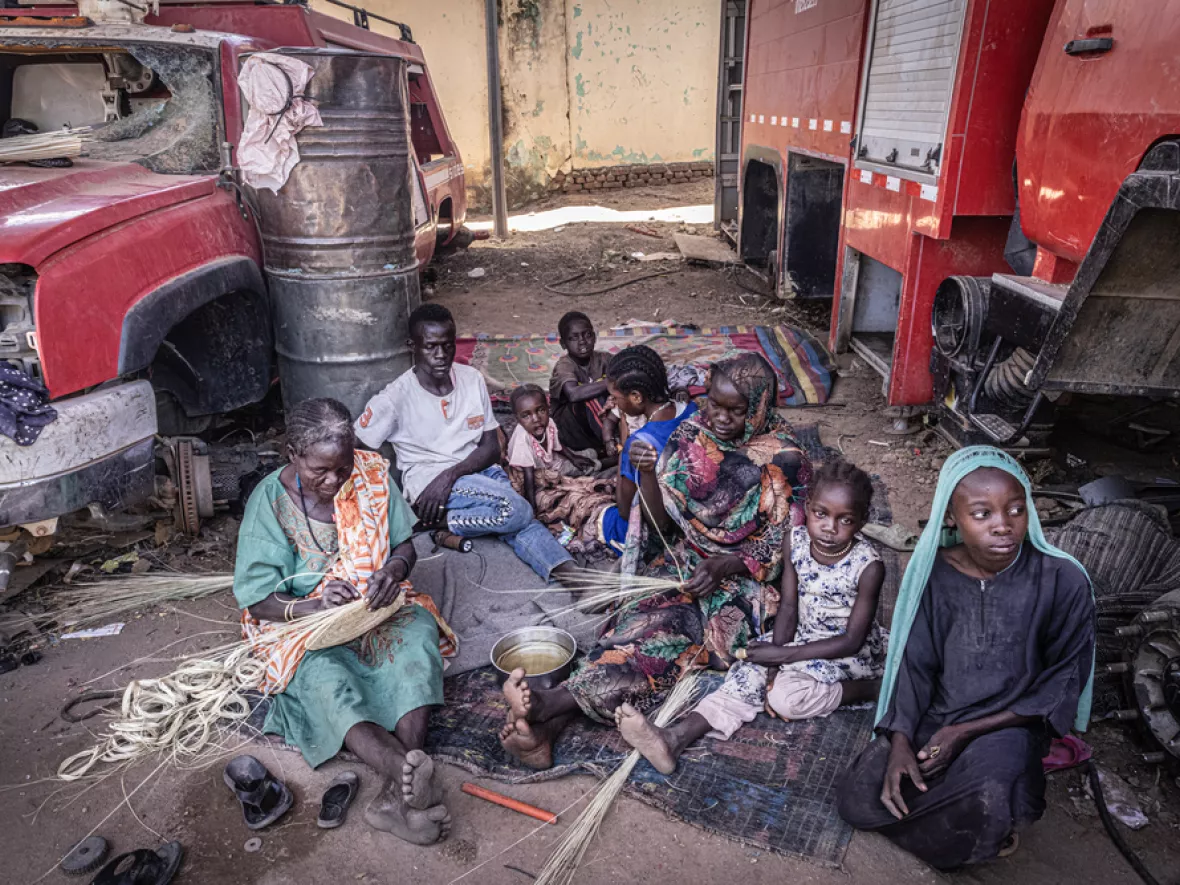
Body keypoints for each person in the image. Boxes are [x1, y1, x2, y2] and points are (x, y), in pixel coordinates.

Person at [498, 353, 810, 769]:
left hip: (745, 581)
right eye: (713, 403)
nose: (718, 417)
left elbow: (788, 546)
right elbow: (660, 522)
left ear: (759, 408)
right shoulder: (692, 431)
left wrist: (725, 565)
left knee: (667, 641)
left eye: (735, 411)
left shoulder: (785, 460)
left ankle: (548, 709)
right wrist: (648, 473)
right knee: (633, 626)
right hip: (683, 564)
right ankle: (546, 724)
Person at [836, 446, 1095, 870]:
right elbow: (915, 667)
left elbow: (1063, 681)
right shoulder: (935, 576)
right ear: (952, 518)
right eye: (982, 514)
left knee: (990, 789)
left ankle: (977, 819)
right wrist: (901, 740)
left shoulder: (1062, 580)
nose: (1003, 527)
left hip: (1007, 726)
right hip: (936, 720)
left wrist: (964, 731)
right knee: (857, 800)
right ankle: (969, 831)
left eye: (1015, 510)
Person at [233, 398, 458, 845]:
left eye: (344, 465)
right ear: (292, 453)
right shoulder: (270, 502)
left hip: (374, 607)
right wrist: (313, 606)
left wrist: (391, 574)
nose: (336, 480)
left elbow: (404, 545)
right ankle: (403, 769)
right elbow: (258, 600)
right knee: (324, 678)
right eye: (321, 470)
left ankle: (399, 793)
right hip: (299, 622)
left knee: (415, 640)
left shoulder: (372, 474)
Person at [615, 459, 886, 774]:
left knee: (786, 699)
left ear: (862, 521)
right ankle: (674, 738)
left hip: (847, 653)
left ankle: (873, 687)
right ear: (808, 506)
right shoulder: (795, 542)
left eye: (846, 520)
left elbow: (851, 641)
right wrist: (773, 664)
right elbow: (788, 608)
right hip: (802, 636)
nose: (829, 527)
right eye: (821, 514)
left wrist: (783, 654)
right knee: (748, 672)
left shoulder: (868, 566)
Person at [355, 303, 578, 584]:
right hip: (428, 482)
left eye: (447, 346)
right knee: (517, 510)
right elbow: (356, 450)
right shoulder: (394, 399)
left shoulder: (471, 379)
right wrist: (394, 506)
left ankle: (573, 575)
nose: (441, 355)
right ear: (413, 346)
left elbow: (491, 447)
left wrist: (449, 476)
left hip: (471, 475)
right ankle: (428, 519)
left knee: (514, 516)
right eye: (431, 346)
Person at [595, 345, 698, 553]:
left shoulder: (639, 443)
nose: (613, 402)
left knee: (602, 516)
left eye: (616, 397)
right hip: (694, 509)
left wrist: (623, 450)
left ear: (636, 396)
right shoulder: (692, 410)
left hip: (661, 524)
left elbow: (624, 510)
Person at [504, 384, 615, 556]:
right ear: (518, 419)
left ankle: (597, 455)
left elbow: (558, 446)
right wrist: (533, 512)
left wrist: (574, 457)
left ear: (547, 408)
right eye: (526, 415)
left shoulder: (548, 423)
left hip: (551, 461)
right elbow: (528, 478)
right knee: (588, 467)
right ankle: (610, 461)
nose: (536, 419)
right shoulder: (521, 439)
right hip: (538, 474)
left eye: (540, 410)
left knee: (585, 455)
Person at [548, 311, 617, 459]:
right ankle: (610, 444)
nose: (582, 341)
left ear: (594, 336)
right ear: (563, 344)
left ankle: (613, 443)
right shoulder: (564, 366)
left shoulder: (604, 359)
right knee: (589, 398)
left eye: (587, 335)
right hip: (571, 429)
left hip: (599, 424)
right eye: (574, 337)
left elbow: (627, 368)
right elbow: (573, 394)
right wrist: (611, 383)